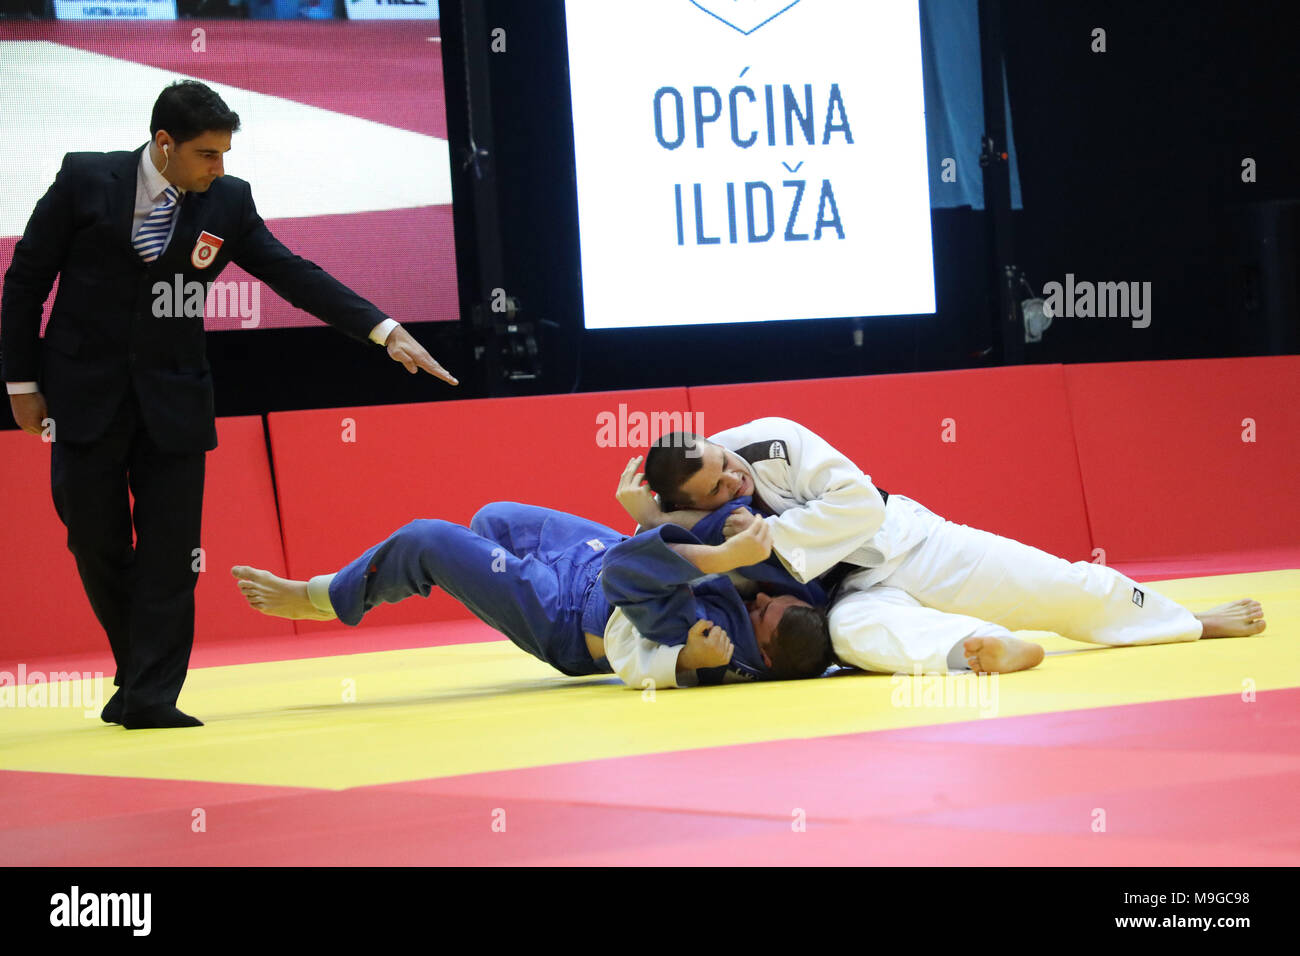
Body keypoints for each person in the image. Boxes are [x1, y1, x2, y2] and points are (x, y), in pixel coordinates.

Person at [1, 81, 457, 729]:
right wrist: (21, 386)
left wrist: (384, 330)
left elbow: (292, 273)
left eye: (225, 154)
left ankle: (153, 697)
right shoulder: (84, 179)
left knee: (170, 553)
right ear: (164, 145)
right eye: (208, 154)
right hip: (81, 397)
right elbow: (25, 282)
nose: (221, 167)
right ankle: (136, 673)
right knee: (93, 541)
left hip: (176, 401)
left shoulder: (229, 200)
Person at [636, 419, 1267, 676]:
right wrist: (642, 516)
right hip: (847, 596)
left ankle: (1185, 623)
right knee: (859, 642)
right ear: (690, 500)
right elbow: (652, 567)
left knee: (1056, 584)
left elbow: (859, 505)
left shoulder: (769, 441)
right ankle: (977, 653)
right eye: (715, 487)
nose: (732, 479)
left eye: (722, 462)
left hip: (908, 542)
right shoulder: (692, 520)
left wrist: (765, 542)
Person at [231, 500, 833, 689]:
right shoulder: (801, 616)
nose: (757, 601)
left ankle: (321, 597)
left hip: (568, 615)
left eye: (763, 615)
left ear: (768, 654)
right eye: (769, 600)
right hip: (589, 561)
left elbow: (630, 574)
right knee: (492, 521)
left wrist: (686, 661)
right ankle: (484, 573)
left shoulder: (717, 647)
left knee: (430, 541)